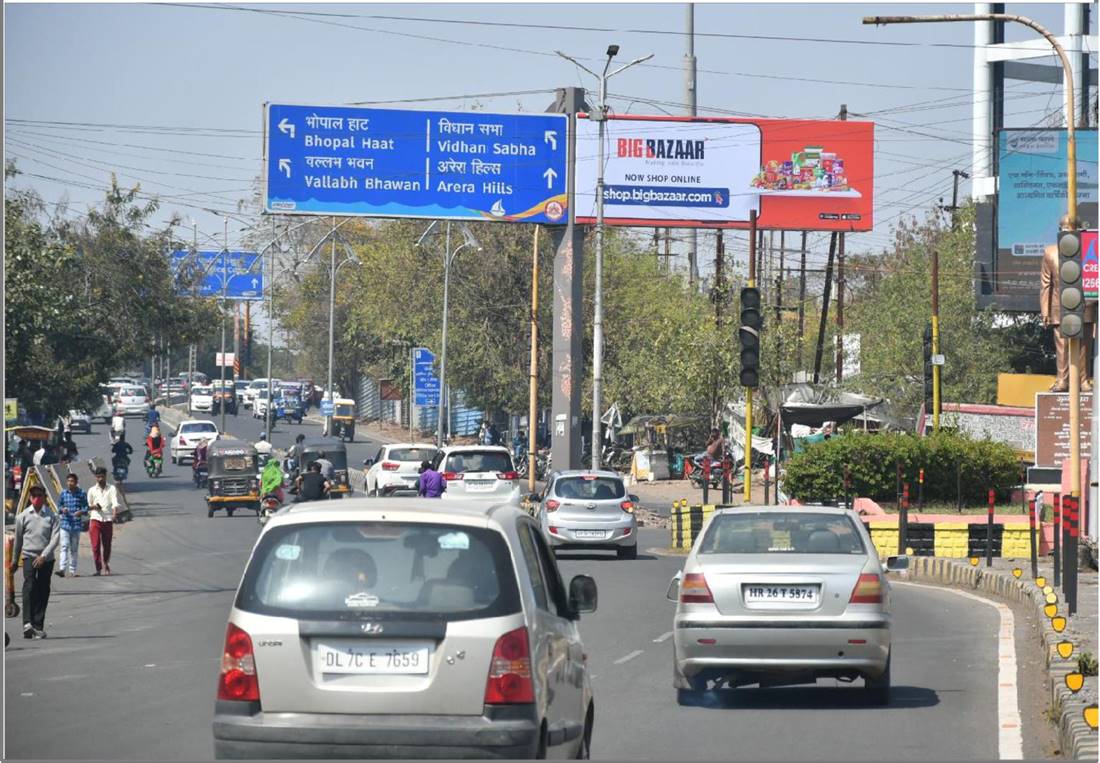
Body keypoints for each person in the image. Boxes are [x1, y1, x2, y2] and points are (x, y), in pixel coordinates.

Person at [10, 484, 60, 638]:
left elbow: (55, 538)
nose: (37, 498)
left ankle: (38, 625)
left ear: (45, 498)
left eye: (40, 495)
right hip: (28, 556)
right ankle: (27, 623)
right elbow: (18, 541)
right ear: (30, 498)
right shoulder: (22, 517)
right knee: (29, 586)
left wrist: (44, 556)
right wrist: (14, 561)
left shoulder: (52, 516)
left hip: (46, 558)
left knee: (43, 589)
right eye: (34, 496)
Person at [86, 467, 120, 575]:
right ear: (95, 477)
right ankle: (98, 568)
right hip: (95, 519)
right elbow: (87, 506)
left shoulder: (112, 488)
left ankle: (106, 563)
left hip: (108, 519)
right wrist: (94, 507)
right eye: (98, 477)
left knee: (107, 544)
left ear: (105, 476)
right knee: (95, 545)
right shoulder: (92, 490)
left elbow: (114, 502)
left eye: (102, 476)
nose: (100, 479)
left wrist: (114, 514)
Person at [57, 473, 88, 578]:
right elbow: (58, 507)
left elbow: (86, 508)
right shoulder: (63, 493)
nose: (70, 483)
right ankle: (62, 569)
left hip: (76, 525)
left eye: (72, 481)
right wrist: (62, 510)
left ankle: (72, 570)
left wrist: (81, 512)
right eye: (68, 481)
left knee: (74, 549)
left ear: (76, 482)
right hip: (65, 524)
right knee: (64, 546)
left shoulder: (82, 493)